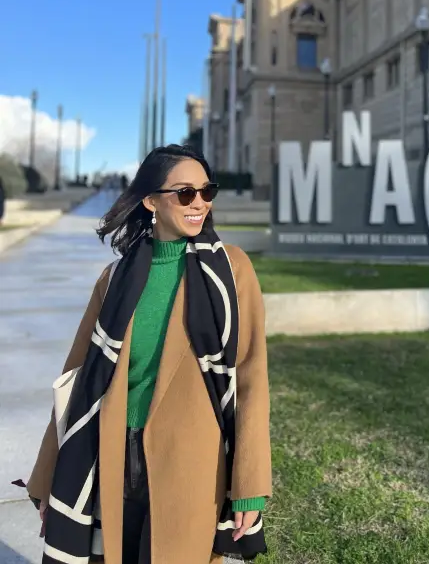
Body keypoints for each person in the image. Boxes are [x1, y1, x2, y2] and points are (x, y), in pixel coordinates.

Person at [23, 144, 272, 564]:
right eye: (185, 193)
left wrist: (250, 483)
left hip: (194, 460)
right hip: (112, 455)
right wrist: (50, 476)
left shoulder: (232, 271)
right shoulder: (116, 277)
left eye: (207, 191)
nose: (200, 204)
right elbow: (78, 377)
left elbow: (251, 378)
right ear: (151, 200)